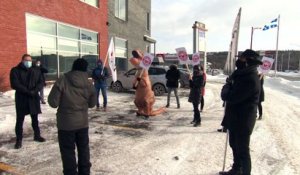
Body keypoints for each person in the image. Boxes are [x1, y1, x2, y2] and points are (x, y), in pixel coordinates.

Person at [48, 58, 97, 175]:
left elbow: (53, 102)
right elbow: (92, 104)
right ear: (85, 69)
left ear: (73, 67)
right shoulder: (89, 83)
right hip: (82, 123)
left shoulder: (63, 80)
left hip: (66, 124)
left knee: (67, 152)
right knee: (84, 150)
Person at [219, 49, 262, 175]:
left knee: (242, 150)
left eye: (242, 59)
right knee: (234, 145)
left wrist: (226, 87)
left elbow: (231, 96)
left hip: (243, 120)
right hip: (234, 117)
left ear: (248, 61)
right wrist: (230, 83)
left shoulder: (251, 78)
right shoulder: (240, 74)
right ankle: (236, 169)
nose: (239, 61)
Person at [10, 54, 46, 149]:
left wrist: (34, 91)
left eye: (30, 60)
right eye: (26, 60)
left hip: (33, 97)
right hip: (22, 98)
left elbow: (41, 82)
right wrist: (27, 91)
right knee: (20, 120)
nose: (28, 62)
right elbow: (14, 84)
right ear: (22, 60)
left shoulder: (36, 70)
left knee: (35, 119)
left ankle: (37, 135)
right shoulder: (15, 70)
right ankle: (19, 140)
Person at [129, 49, 165, 118]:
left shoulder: (144, 67)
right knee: (138, 99)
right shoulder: (138, 68)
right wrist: (135, 82)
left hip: (144, 83)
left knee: (146, 99)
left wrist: (142, 56)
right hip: (139, 86)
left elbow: (144, 83)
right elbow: (132, 59)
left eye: (139, 54)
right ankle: (140, 110)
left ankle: (147, 112)